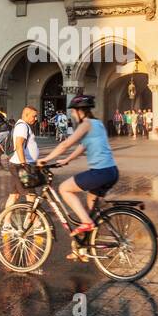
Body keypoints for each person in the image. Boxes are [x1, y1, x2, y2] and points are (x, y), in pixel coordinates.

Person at [39, 93, 118, 255]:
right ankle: (86, 245)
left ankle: (87, 224)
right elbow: (83, 147)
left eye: (74, 112)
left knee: (64, 189)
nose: (73, 115)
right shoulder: (97, 124)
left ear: (80, 111)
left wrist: (45, 159)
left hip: (100, 172)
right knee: (91, 206)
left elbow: (67, 143)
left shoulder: (86, 124)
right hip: (111, 171)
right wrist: (66, 160)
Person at [4, 104, 40, 209]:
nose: (36, 118)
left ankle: (6, 223)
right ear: (26, 115)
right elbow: (19, 145)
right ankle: (34, 221)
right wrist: (24, 165)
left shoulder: (23, 125)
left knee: (14, 195)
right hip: (21, 166)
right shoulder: (22, 127)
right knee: (31, 195)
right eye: (34, 116)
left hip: (17, 165)